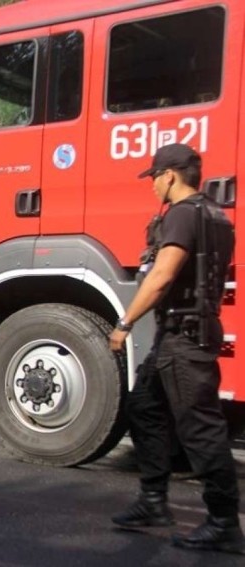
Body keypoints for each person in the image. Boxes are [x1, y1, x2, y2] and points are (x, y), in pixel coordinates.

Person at [109, 143, 242, 554]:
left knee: (200, 431)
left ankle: (223, 523)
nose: (151, 186)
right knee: (144, 406)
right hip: (181, 336)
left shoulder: (184, 214)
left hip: (185, 340)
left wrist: (124, 323)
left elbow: (163, 275)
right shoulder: (216, 215)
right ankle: (153, 502)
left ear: (170, 176)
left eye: (153, 178)